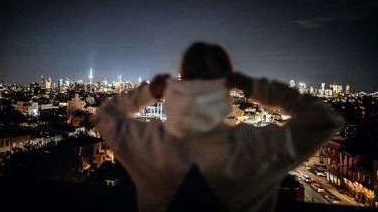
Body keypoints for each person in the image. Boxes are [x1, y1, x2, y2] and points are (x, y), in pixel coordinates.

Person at [91, 42, 345, 212]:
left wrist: (148, 92)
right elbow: (325, 118)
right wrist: (255, 87)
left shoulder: (148, 142)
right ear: (226, 86)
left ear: (179, 83)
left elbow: (104, 116)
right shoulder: (258, 147)